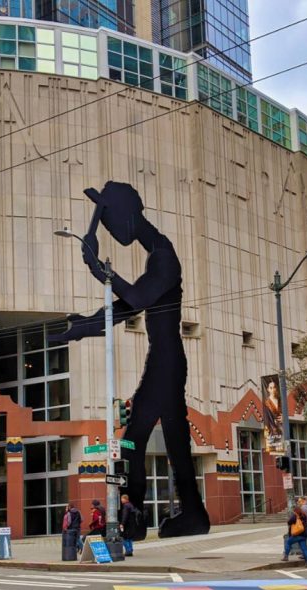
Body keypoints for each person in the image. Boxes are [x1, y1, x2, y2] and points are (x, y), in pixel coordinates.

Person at [52, 182, 210, 539]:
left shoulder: (164, 255)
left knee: (136, 439)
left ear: (127, 215)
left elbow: (136, 297)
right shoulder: (156, 255)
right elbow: (122, 309)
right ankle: (188, 514)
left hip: (166, 361)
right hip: (165, 361)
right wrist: (80, 328)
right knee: (170, 439)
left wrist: (98, 267)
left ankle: (135, 518)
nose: (108, 230)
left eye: (109, 221)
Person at [262, 379, 283, 447]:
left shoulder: (280, 401)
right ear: (268, 389)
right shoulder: (266, 403)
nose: (273, 390)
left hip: (282, 429)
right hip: (272, 430)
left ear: (276, 389)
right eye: (271, 388)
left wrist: (284, 417)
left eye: (274, 387)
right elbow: (266, 419)